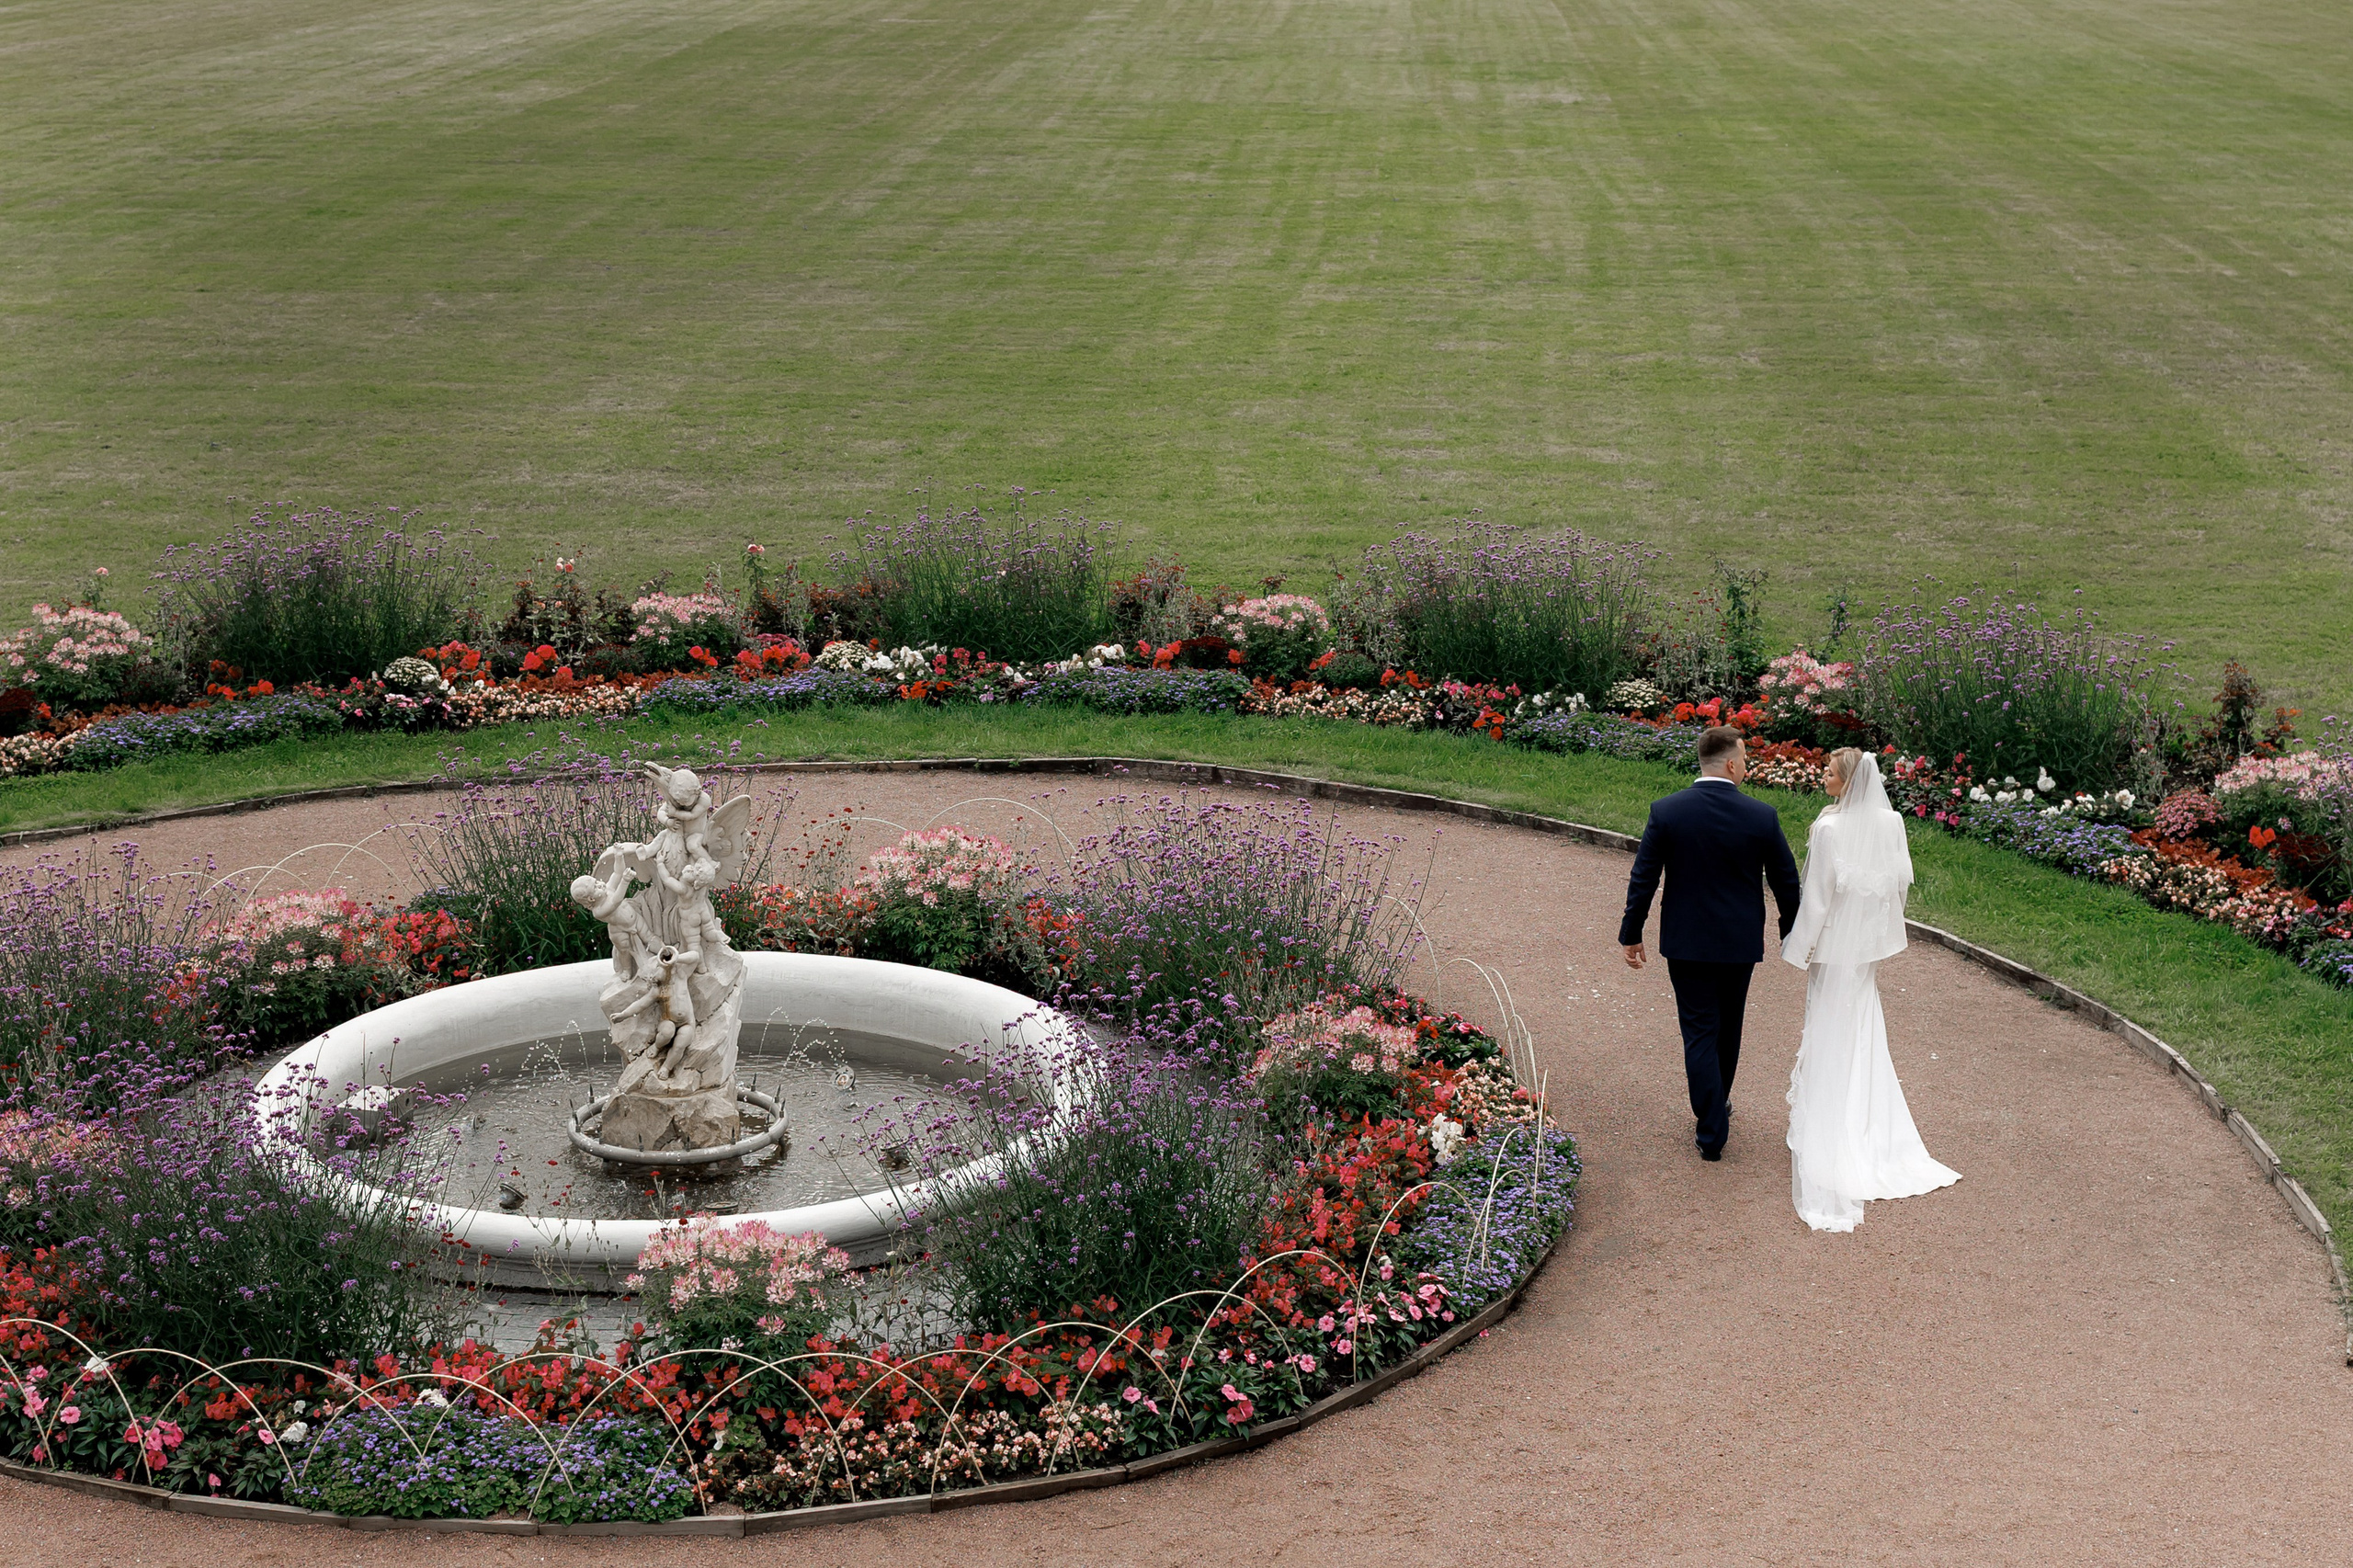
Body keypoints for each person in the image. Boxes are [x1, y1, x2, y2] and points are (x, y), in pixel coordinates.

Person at [1779, 748, 1961, 1230]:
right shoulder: (1893, 821)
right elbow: (1901, 882)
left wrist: (1799, 949)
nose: (1822, 774)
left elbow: (1816, 900)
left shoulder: (1829, 829)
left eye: (1828, 771)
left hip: (1834, 946)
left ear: (1847, 781)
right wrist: (1878, 933)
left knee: (1829, 1025)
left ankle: (1831, 1129)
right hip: (1864, 949)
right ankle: (1870, 1125)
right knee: (1861, 1025)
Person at [1619, 725, 1803, 1161]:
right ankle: (1715, 1109)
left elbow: (1644, 876)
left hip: (1686, 943)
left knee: (1699, 1030)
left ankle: (1710, 1127)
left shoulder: (1667, 811)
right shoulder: (1762, 816)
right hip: (1738, 944)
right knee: (1729, 1027)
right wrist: (1791, 932)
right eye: (1745, 758)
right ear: (1732, 763)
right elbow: (1787, 882)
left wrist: (1632, 932)